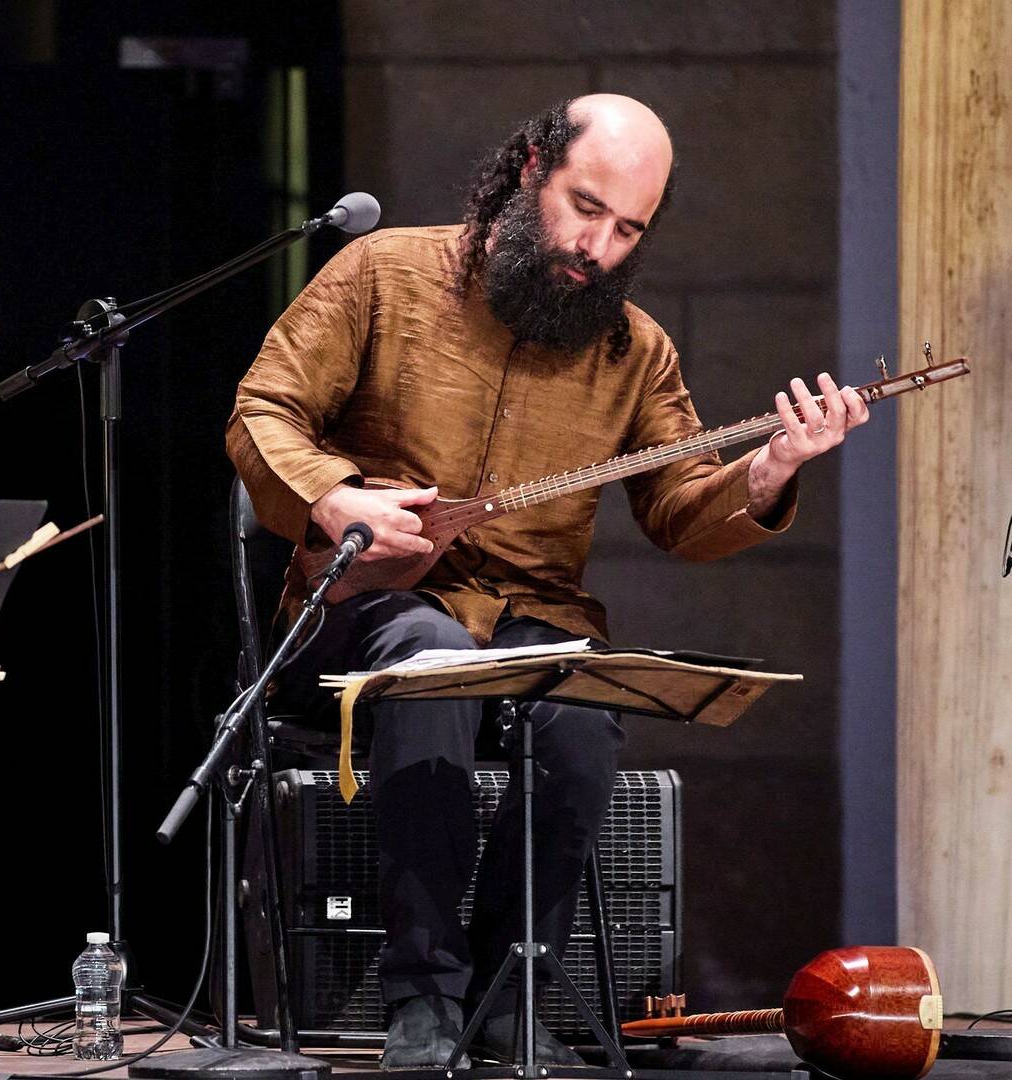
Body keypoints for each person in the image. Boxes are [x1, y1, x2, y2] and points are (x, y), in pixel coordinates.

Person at [226, 94, 868, 1069]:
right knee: (434, 654)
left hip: (530, 622)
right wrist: (336, 497)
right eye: (586, 208)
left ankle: (510, 999)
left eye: (628, 230)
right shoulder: (384, 274)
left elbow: (680, 510)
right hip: (363, 614)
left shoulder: (634, 350)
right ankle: (423, 997)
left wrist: (770, 471)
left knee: (581, 703)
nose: (598, 249)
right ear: (531, 170)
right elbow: (261, 412)